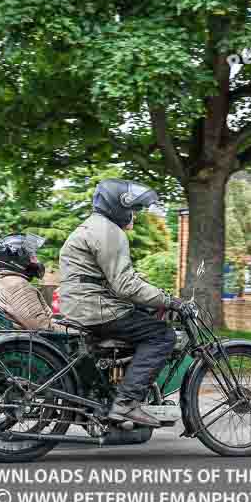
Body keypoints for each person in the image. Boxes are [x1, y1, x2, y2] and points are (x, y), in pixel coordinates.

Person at [58, 179, 182, 428]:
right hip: (96, 309)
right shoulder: (109, 232)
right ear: (117, 206)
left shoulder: (92, 227)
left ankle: (116, 390)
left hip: (83, 306)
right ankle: (126, 403)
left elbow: (116, 280)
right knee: (162, 335)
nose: (133, 215)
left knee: (142, 315)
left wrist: (152, 297)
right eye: (132, 210)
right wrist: (169, 300)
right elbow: (125, 286)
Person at [0, 234, 69, 333]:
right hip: (28, 344)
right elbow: (43, 327)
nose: (36, 260)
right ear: (18, 260)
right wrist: (72, 331)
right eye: (32, 256)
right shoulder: (18, 286)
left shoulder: (4, 282)